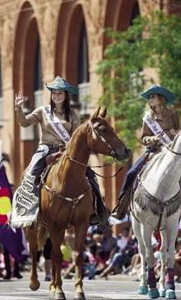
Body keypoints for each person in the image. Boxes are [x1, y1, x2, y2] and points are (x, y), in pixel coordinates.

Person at [12, 76, 109, 228]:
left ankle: (98, 210)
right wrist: (18, 109)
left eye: (60, 94)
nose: (56, 96)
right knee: (31, 173)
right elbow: (24, 123)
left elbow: (76, 136)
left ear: (65, 96)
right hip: (45, 149)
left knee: (90, 175)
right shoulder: (43, 111)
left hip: (66, 150)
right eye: (54, 93)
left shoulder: (73, 114)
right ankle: (26, 210)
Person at [111, 84, 181, 223]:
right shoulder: (148, 118)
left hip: (171, 152)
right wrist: (153, 139)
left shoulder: (173, 114)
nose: (150, 99)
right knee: (131, 173)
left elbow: (180, 133)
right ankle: (121, 207)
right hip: (154, 150)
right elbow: (143, 138)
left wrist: (177, 132)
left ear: (160, 99)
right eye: (149, 97)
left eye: (152, 96)